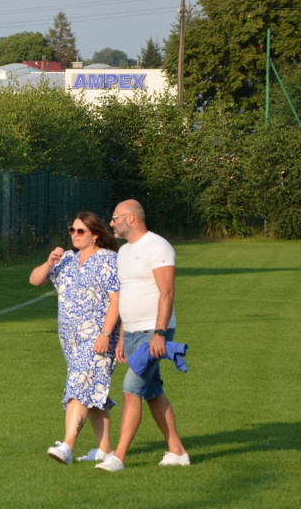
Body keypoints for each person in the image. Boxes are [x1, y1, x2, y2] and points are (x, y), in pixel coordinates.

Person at [97, 199, 189, 471]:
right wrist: (123, 334)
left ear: (131, 218)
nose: (111, 223)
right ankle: (178, 452)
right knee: (152, 391)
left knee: (131, 389)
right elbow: (127, 293)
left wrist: (160, 333)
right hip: (134, 331)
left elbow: (167, 292)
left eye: (115, 218)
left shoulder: (158, 247)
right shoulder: (124, 252)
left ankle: (119, 457)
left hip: (154, 331)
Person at [30, 212, 122, 465]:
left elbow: (117, 300)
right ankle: (105, 450)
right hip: (70, 340)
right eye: (72, 230)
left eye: (80, 231)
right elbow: (34, 280)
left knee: (79, 386)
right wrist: (49, 262)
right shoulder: (67, 259)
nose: (74, 234)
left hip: (98, 337)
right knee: (92, 392)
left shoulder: (108, 260)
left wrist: (105, 334)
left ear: (95, 234)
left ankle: (67, 445)